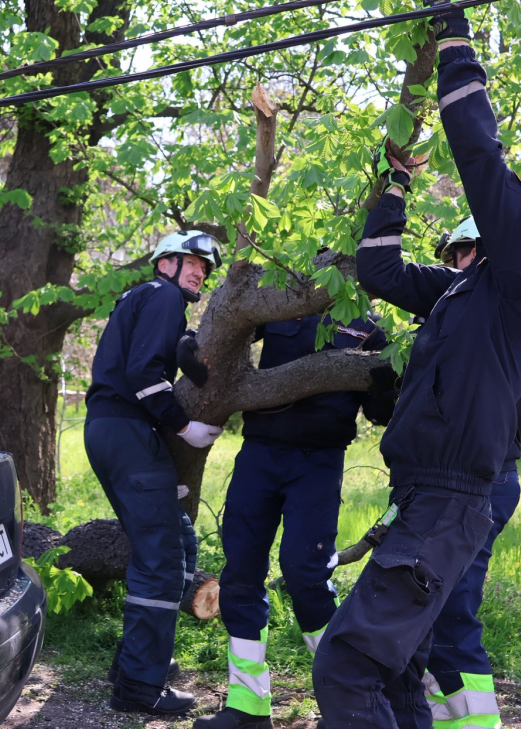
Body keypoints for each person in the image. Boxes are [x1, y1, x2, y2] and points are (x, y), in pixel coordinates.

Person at [311, 0, 521, 728]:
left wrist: (453, 31)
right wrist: (395, 179)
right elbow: (381, 271)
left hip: (448, 505)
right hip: (425, 498)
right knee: (393, 677)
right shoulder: (475, 283)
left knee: (346, 667)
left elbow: (479, 152)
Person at [362, 211, 521, 728]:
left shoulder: (506, 310)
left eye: (468, 254)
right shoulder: (449, 307)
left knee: (449, 612)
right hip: (426, 483)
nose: (461, 266)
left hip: (478, 483)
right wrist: (393, 189)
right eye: (456, 257)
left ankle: (477, 722)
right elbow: (382, 271)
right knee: (421, 616)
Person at [194, 310, 391, 729]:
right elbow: (230, 337)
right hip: (259, 454)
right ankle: (248, 707)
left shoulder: (371, 328)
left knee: (306, 573)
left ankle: (347, 705)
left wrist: (392, 375)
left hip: (318, 463)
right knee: (241, 575)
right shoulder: (284, 305)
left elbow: (382, 412)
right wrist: (194, 340)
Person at [85, 229, 225, 716]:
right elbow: (145, 374)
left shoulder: (144, 299)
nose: (199, 273)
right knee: (162, 558)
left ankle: (133, 661)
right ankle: (140, 687)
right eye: (191, 261)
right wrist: (184, 426)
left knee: (179, 538)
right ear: (164, 262)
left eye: (205, 269)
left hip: (112, 432)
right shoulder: (163, 295)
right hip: (127, 431)